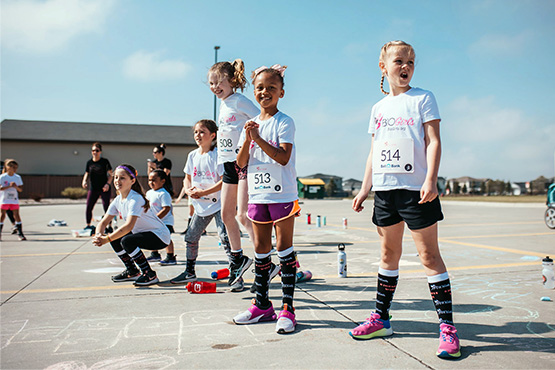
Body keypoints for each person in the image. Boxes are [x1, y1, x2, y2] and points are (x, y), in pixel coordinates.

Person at [349, 41, 460, 359]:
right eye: (398, 61)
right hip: (385, 192)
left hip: (416, 192)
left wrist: (430, 179)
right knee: (388, 257)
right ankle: (381, 319)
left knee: (429, 257)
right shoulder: (378, 108)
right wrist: (364, 188)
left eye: (410, 61)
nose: (406, 66)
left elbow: (434, 141)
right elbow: (375, 151)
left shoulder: (424, 98)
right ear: (383, 66)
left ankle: (448, 329)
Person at [233, 64, 300, 334]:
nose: (265, 92)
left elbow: (283, 157)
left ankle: (288, 308)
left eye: (271, 88)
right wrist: (249, 140)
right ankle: (262, 304)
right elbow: (240, 164)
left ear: (281, 92)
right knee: (260, 250)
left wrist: (258, 138)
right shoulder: (249, 127)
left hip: (282, 195)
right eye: (260, 88)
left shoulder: (284, 122)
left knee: (284, 250)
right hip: (257, 195)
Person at [209, 59, 270, 291]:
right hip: (227, 165)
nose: (215, 87)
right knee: (226, 215)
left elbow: (262, 119)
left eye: (219, 82)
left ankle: (264, 264)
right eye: (211, 84)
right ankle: (238, 260)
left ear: (231, 80)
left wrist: (252, 141)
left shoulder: (240, 100)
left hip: (243, 163)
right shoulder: (224, 104)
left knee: (243, 216)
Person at [170, 120, 235, 288]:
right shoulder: (192, 155)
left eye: (202, 132)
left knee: (226, 238)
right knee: (191, 237)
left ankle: (236, 274)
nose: (197, 135)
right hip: (201, 205)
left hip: (220, 203)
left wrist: (203, 192)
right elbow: (187, 177)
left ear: (213, 136)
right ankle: (189, 271)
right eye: (196, 132)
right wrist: (188, 189)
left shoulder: (218, 155)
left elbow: (224, 181)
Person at [92, 164, 170, 286]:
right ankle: (132, 271)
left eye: (122, 178)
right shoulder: (118, 200)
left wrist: (106, 239)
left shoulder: (135, 199)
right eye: (116, 177)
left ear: (132, 180)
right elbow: (103, 222)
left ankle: (149, 274)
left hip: (159, 236)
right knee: (115, 238)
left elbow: (128, 226)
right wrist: (98, 235)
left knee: (126, 240)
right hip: (143, 234)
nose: (117, 181)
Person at [146, 169, 177, 265]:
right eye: (150, 180)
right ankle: (154, 254)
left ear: (163, 181)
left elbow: (166, 209)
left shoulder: (164, 194)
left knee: (166, 238)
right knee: (152, 237)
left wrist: (155, 218)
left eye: (154, 180)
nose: (151, 182)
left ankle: (170, 256)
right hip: (154, 221)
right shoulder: (149, 193)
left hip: (165, 221)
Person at [82, 142, 113, 233]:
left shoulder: (105, 162)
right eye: (93, 150)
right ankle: (88, 225)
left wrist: (108, 184)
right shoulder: (89, 162)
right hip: (93, 188)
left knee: (107, 207)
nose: (94, 152)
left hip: (104, 188)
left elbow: (111, 174)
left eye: (97, 150)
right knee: (89, 206)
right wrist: (84, 181)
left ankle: (109, 226)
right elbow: (87, 173)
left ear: (100, 151)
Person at [0, 159, 26, 241]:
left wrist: (15, 187)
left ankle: (20, 233)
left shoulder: (17, 177)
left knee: (17, 215)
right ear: (7, 167)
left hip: (14, 199)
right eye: (12, 167)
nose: (14, 169)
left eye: (16, 167)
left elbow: (20, 189)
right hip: (4, 199)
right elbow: (0, 188)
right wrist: (9, 186)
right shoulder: (3, 177)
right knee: (2, 216)